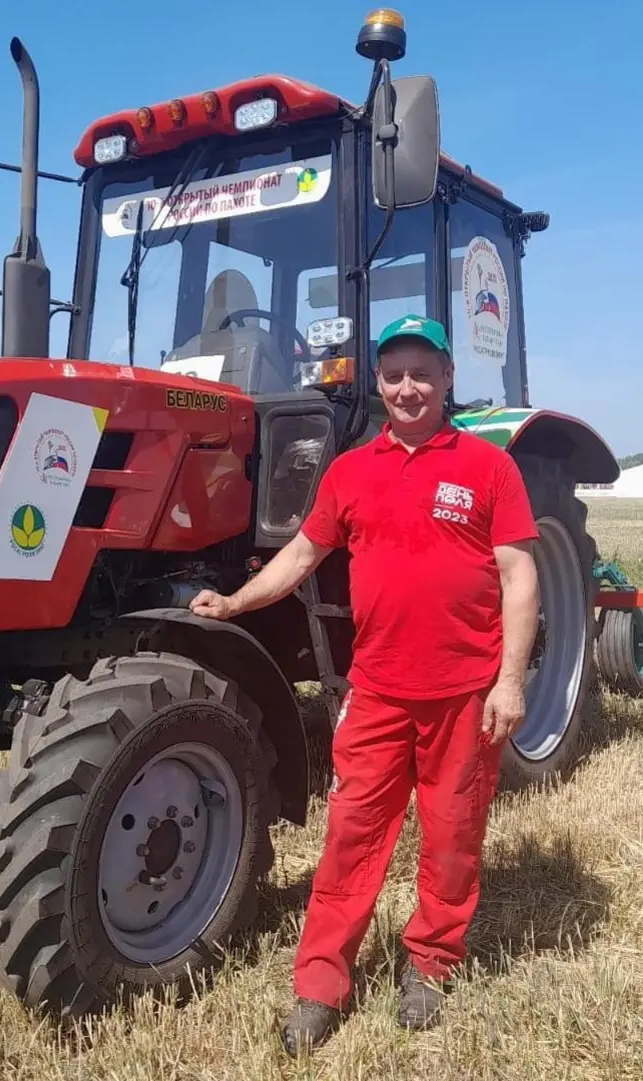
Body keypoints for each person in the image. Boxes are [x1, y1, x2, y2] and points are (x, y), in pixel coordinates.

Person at [189, 314, 540, 1054]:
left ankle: (430, 964)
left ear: (447, 378)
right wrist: (236, 601)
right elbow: (302, 554)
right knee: (351, 837)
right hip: (377, 691)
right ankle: (321, 982)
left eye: (422, 372)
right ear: (376, 383)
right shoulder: (350, 470)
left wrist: (509, 682)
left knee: (451, 838)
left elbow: (519, 575)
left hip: (463, 694)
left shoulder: (489, 467)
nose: (407, 387)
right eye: (393, 374)